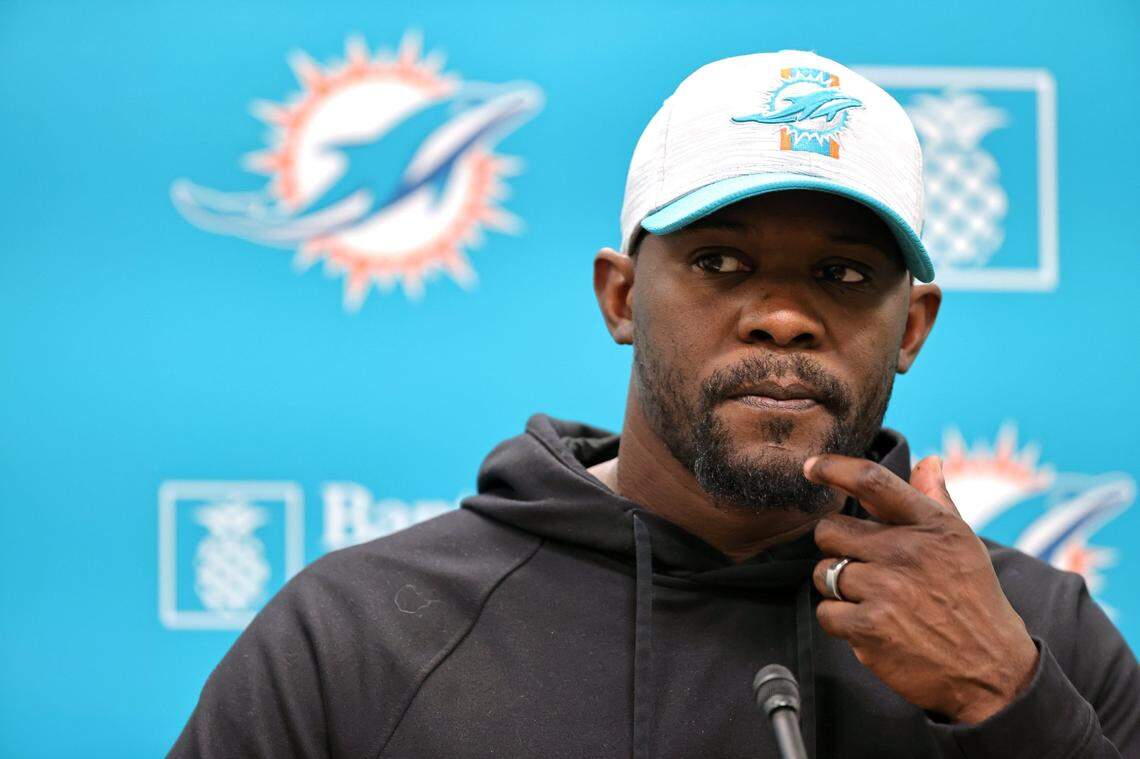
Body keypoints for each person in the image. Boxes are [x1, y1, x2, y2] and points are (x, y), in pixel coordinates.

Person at [169, 50, 1140, 758]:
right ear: (622, 297)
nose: (784, 318)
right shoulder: (365, 634)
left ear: (914, 327)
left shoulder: (1034, 634)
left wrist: (1008, 705)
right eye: (722, 263)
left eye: (844, 274)